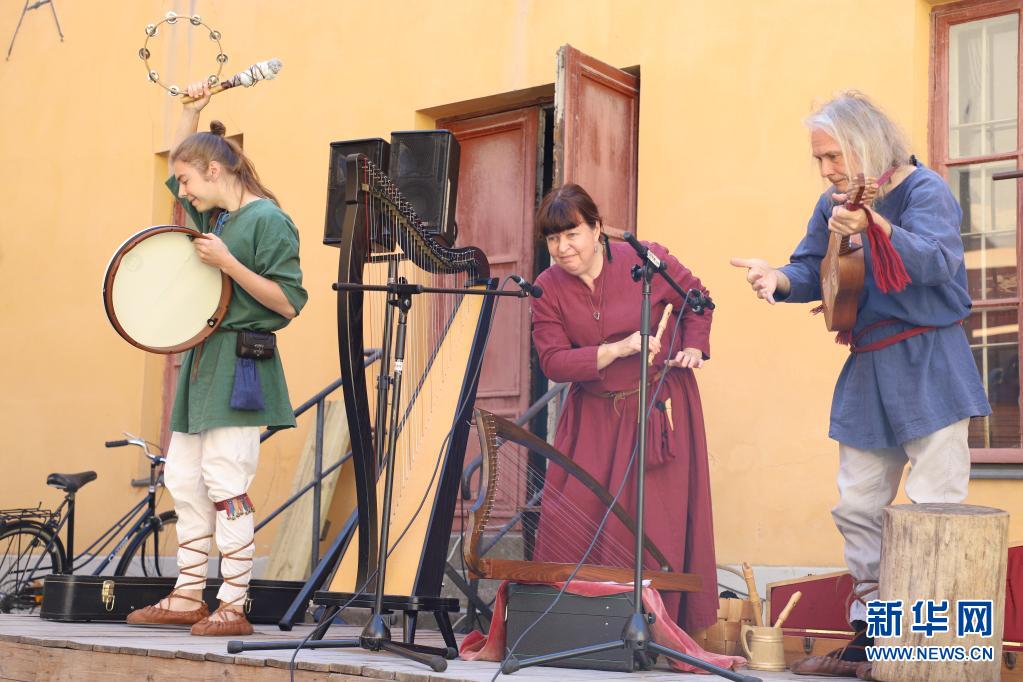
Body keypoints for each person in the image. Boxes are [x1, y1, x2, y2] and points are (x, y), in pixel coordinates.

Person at [731, 92, 990, 678]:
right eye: (818, 159)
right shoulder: (831, 205)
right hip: (869, 365)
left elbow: (936, 263)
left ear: (866, 145)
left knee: (934, 508)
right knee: (859, 506)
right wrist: (777, 279)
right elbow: (812, 268)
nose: (825, 170)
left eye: (832, 156)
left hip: (929, 361)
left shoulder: (924, 191)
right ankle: (871, 642)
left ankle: (925, 652)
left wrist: (875, 224)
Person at [126, 82, 308, 637]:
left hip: (241, 364)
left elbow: (288, 302)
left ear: (214, 169)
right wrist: (191, 114)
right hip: (202, 364)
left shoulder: (268, 220)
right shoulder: (217, 219)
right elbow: (181, 179)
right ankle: (188, 594)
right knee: (184, 478)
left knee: (227, 479)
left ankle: (233, 602)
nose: (182, 191)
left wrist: (228, 263)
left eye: (187, 179)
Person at [529, 183, 719, 634]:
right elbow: (552, 362)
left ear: (597, 229)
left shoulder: (644, 258)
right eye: (553, 238)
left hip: (656, 407)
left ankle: (656, 627)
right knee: (570, 517)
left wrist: (693, 345)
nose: (562, 247)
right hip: (592, 416)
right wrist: (616, 349)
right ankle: (574, 628)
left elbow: (696, 299)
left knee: (654, 523)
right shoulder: (546, 288)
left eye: (572, 234)